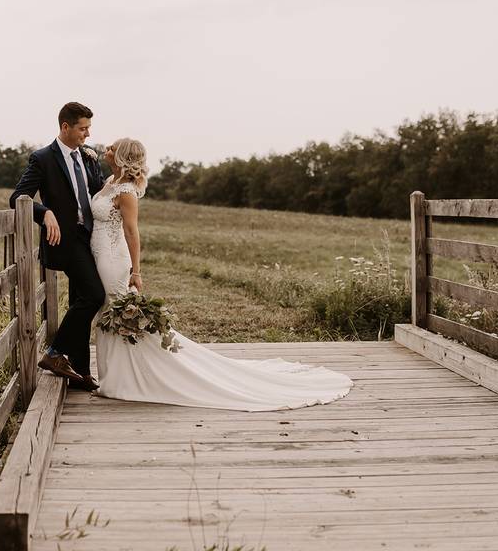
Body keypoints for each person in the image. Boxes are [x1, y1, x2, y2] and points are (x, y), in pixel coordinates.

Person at [90, 138, 354, 411]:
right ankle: (114, 376)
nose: (106, 149)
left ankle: (124, 380)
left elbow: (132, 233)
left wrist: (137, 272)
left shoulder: (127, 191)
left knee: (116, 314)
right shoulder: (110, 180)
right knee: (107, 313)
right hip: (99, 255)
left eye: (112, 147)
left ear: (121, 156)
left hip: (113, 259)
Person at [10, 101, 105, 392]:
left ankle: (80, 372)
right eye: (82, 128)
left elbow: (98, 192)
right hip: (66, 239)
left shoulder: (87, 157)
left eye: (88, 128)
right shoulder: (43, 158)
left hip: (91, 237)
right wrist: (44, 212)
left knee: (80, 299)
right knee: (94, 295)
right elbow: (17, 198)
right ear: (65, 127)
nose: (87, 134)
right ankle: (54, 353)